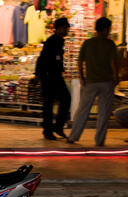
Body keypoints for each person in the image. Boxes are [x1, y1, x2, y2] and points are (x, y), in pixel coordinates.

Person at [67, 17, 119, 147]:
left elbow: (80, 61)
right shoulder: (110, 44)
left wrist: (81, 77)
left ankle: (73, 136)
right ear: (105, 29)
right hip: (106, 82)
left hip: (90, 82)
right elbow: (113, 63)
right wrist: (116, 76)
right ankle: (99, 141)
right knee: (104, 113)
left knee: (83, 110)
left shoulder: (87, 43)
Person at [35, 17, 71, 140]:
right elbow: (42, 59)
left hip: (55, 76)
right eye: (66, 28)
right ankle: (49, 130)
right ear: (60, 28)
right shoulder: (52, 41)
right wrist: (38, 76)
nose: (67, 30)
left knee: (63, 100)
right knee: (50, 103)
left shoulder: (59, 41)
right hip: (49, 77)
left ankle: (56, 127)